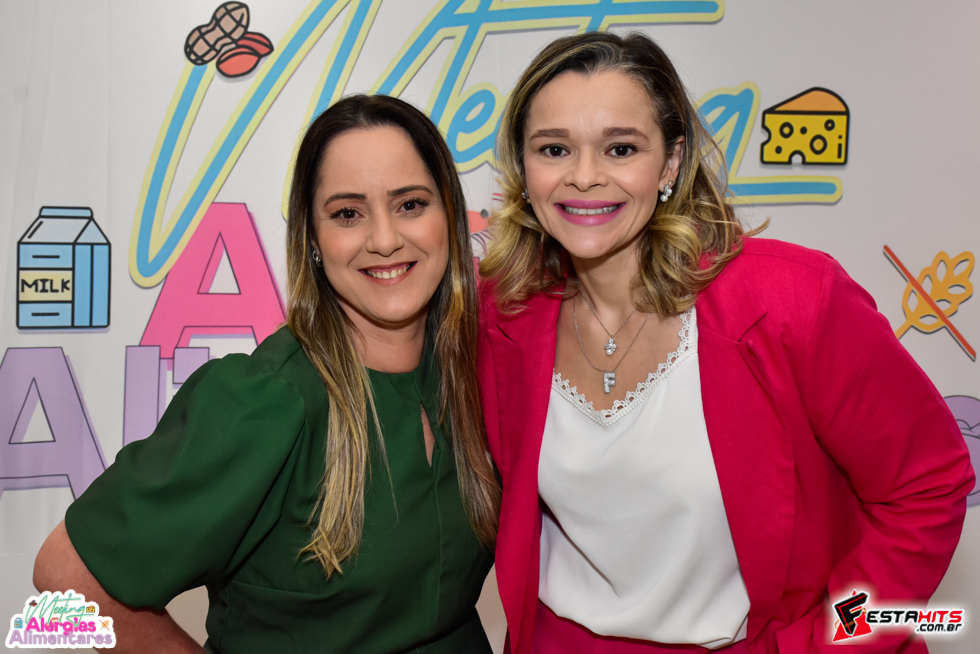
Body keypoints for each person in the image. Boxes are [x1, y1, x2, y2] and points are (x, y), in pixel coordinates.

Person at [477, 32, 973, 654]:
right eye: (554, 149)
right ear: (523, 169)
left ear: (671, 162)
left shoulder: (793, 300)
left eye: (621, 148)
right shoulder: (501, 312)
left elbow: (926, 488)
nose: (584, 177)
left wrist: (829, 644)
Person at [33, 94, 500, 654]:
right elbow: (63, 581)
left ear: (450, 216)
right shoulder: (265, 400)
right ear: (313, 239)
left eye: (410, 204)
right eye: (347, 213)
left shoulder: (478, 375)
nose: (384, 239)